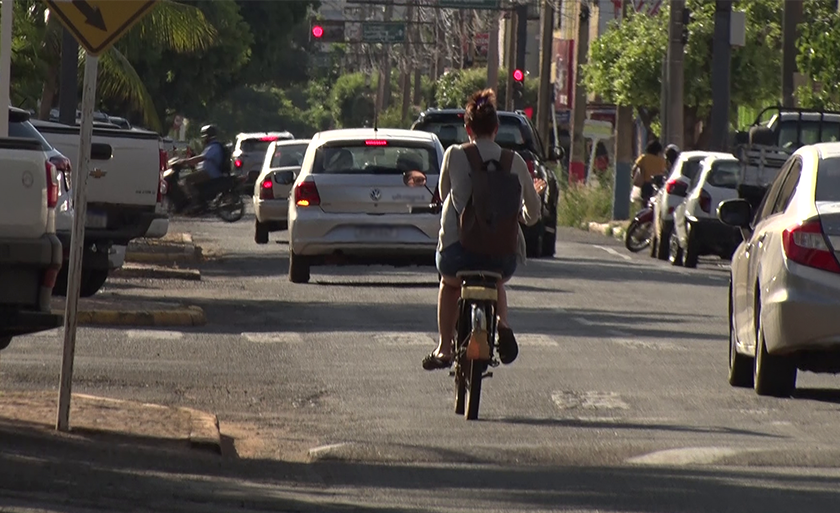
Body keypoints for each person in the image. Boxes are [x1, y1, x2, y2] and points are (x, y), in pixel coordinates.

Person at [422, 89, 544, 371]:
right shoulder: (515, 162)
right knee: (496, 279)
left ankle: (443, 348)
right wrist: (521, 215)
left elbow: (443, 193)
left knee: (448, 284)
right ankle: (503, 324)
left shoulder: (454, 154)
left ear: (468, 128)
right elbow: (533, 212)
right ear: (497, 128)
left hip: (457, 254)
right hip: (502, 257)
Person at [180, 124, 228, 208]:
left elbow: (201, 158)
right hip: (207, 172)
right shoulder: (211, 146)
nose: (203, 139)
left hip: (210, 173)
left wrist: (185, 161)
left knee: (187, 180)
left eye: (204, 137)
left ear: (207, 137)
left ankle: (196, 203)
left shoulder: (214, 147)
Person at [631, 139, 667, 207]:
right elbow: (664, 171)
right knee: (655, 204)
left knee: (645, 202)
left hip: (646, 184)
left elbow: (634, 168)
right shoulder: (661, 161)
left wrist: (634, 176)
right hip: (658, 184)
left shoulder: (643, 158)